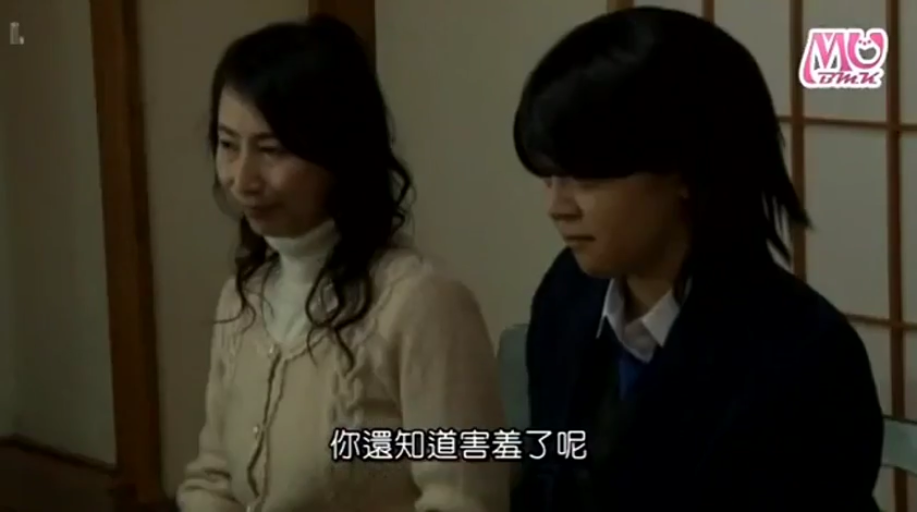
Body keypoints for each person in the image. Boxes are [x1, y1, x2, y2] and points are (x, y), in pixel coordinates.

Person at [509, 7, 883, 511]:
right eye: (549, 176)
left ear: (684, 169)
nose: (557, 206)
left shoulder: (802, 356)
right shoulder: (568, 293)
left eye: (587, 178)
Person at [177, 15, 508, 512]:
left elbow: (463, 497)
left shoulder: (421, 304)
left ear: (339, 154)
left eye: (272, 150)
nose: (242, 179)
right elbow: (213, 477)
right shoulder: (243, 297)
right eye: (227, 145)